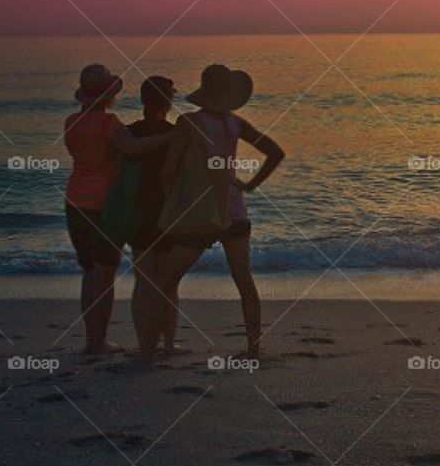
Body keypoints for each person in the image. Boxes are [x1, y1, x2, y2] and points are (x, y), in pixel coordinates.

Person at [149, 64, 284, 361]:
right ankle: (253, 348)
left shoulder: (189, 122)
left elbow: (169, 169)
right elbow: (276, 153)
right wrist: (249, 186)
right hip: (235, 210)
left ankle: (159, 345)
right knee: (244, 281)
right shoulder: (236, 124)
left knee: (166, 280)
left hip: (200, 212)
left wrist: (170, 200)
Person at [63, 64, 172, 355]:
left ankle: (91, 339)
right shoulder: (109, 124)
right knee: (104, 274)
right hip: (102, 205)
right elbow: (134, 148)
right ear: (109, 95)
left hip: (74, 202)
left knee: (89, 272)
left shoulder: (71, 121)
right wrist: (169, 137)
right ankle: (98, 342)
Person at [126, 76, 181, 356]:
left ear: (143, 101)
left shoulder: (130, 132)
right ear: (168, 102)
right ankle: (168, 343)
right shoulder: (175, 134)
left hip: (138, 212)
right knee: (168, 282)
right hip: (168, 211)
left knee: (143, 281)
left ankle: (144, 343)